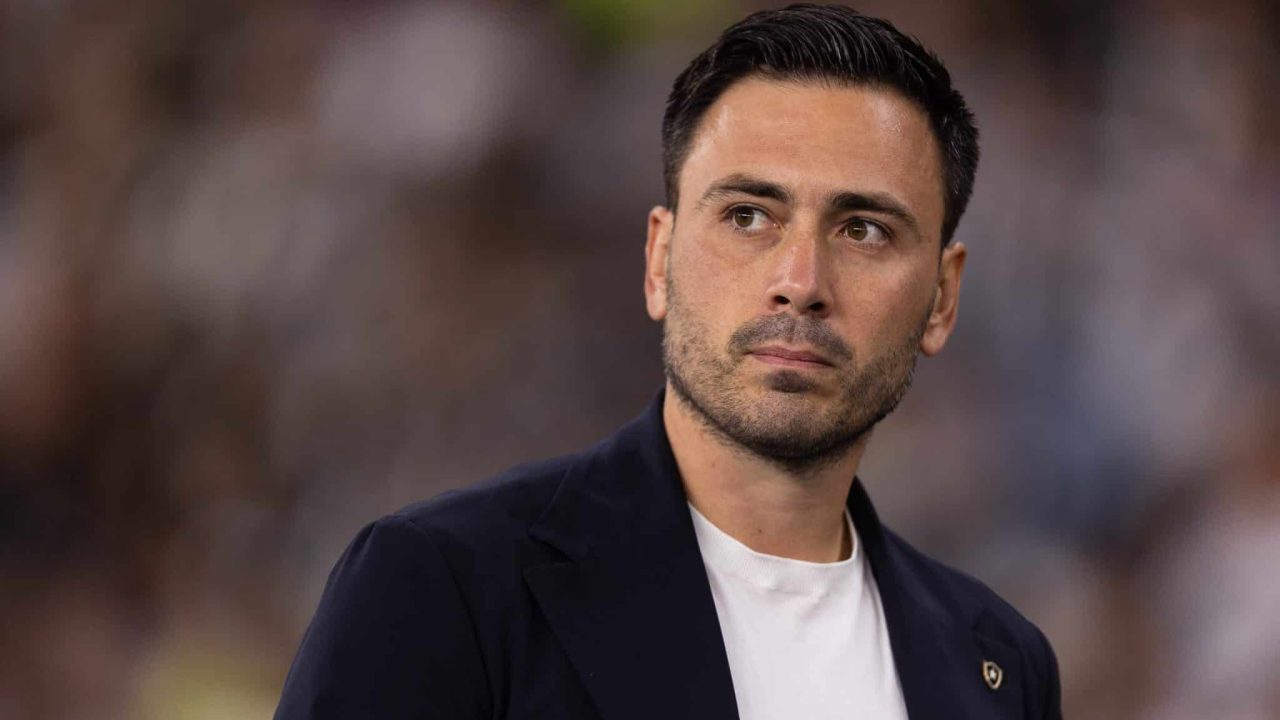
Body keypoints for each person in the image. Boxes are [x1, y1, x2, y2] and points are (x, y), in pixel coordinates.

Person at [274, 5, 1063, 719]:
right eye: (748, 216)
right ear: (659, 260)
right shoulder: (444, 590)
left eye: (863, 230)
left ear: (942, 298)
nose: (800, 282)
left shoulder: (1002, 664)